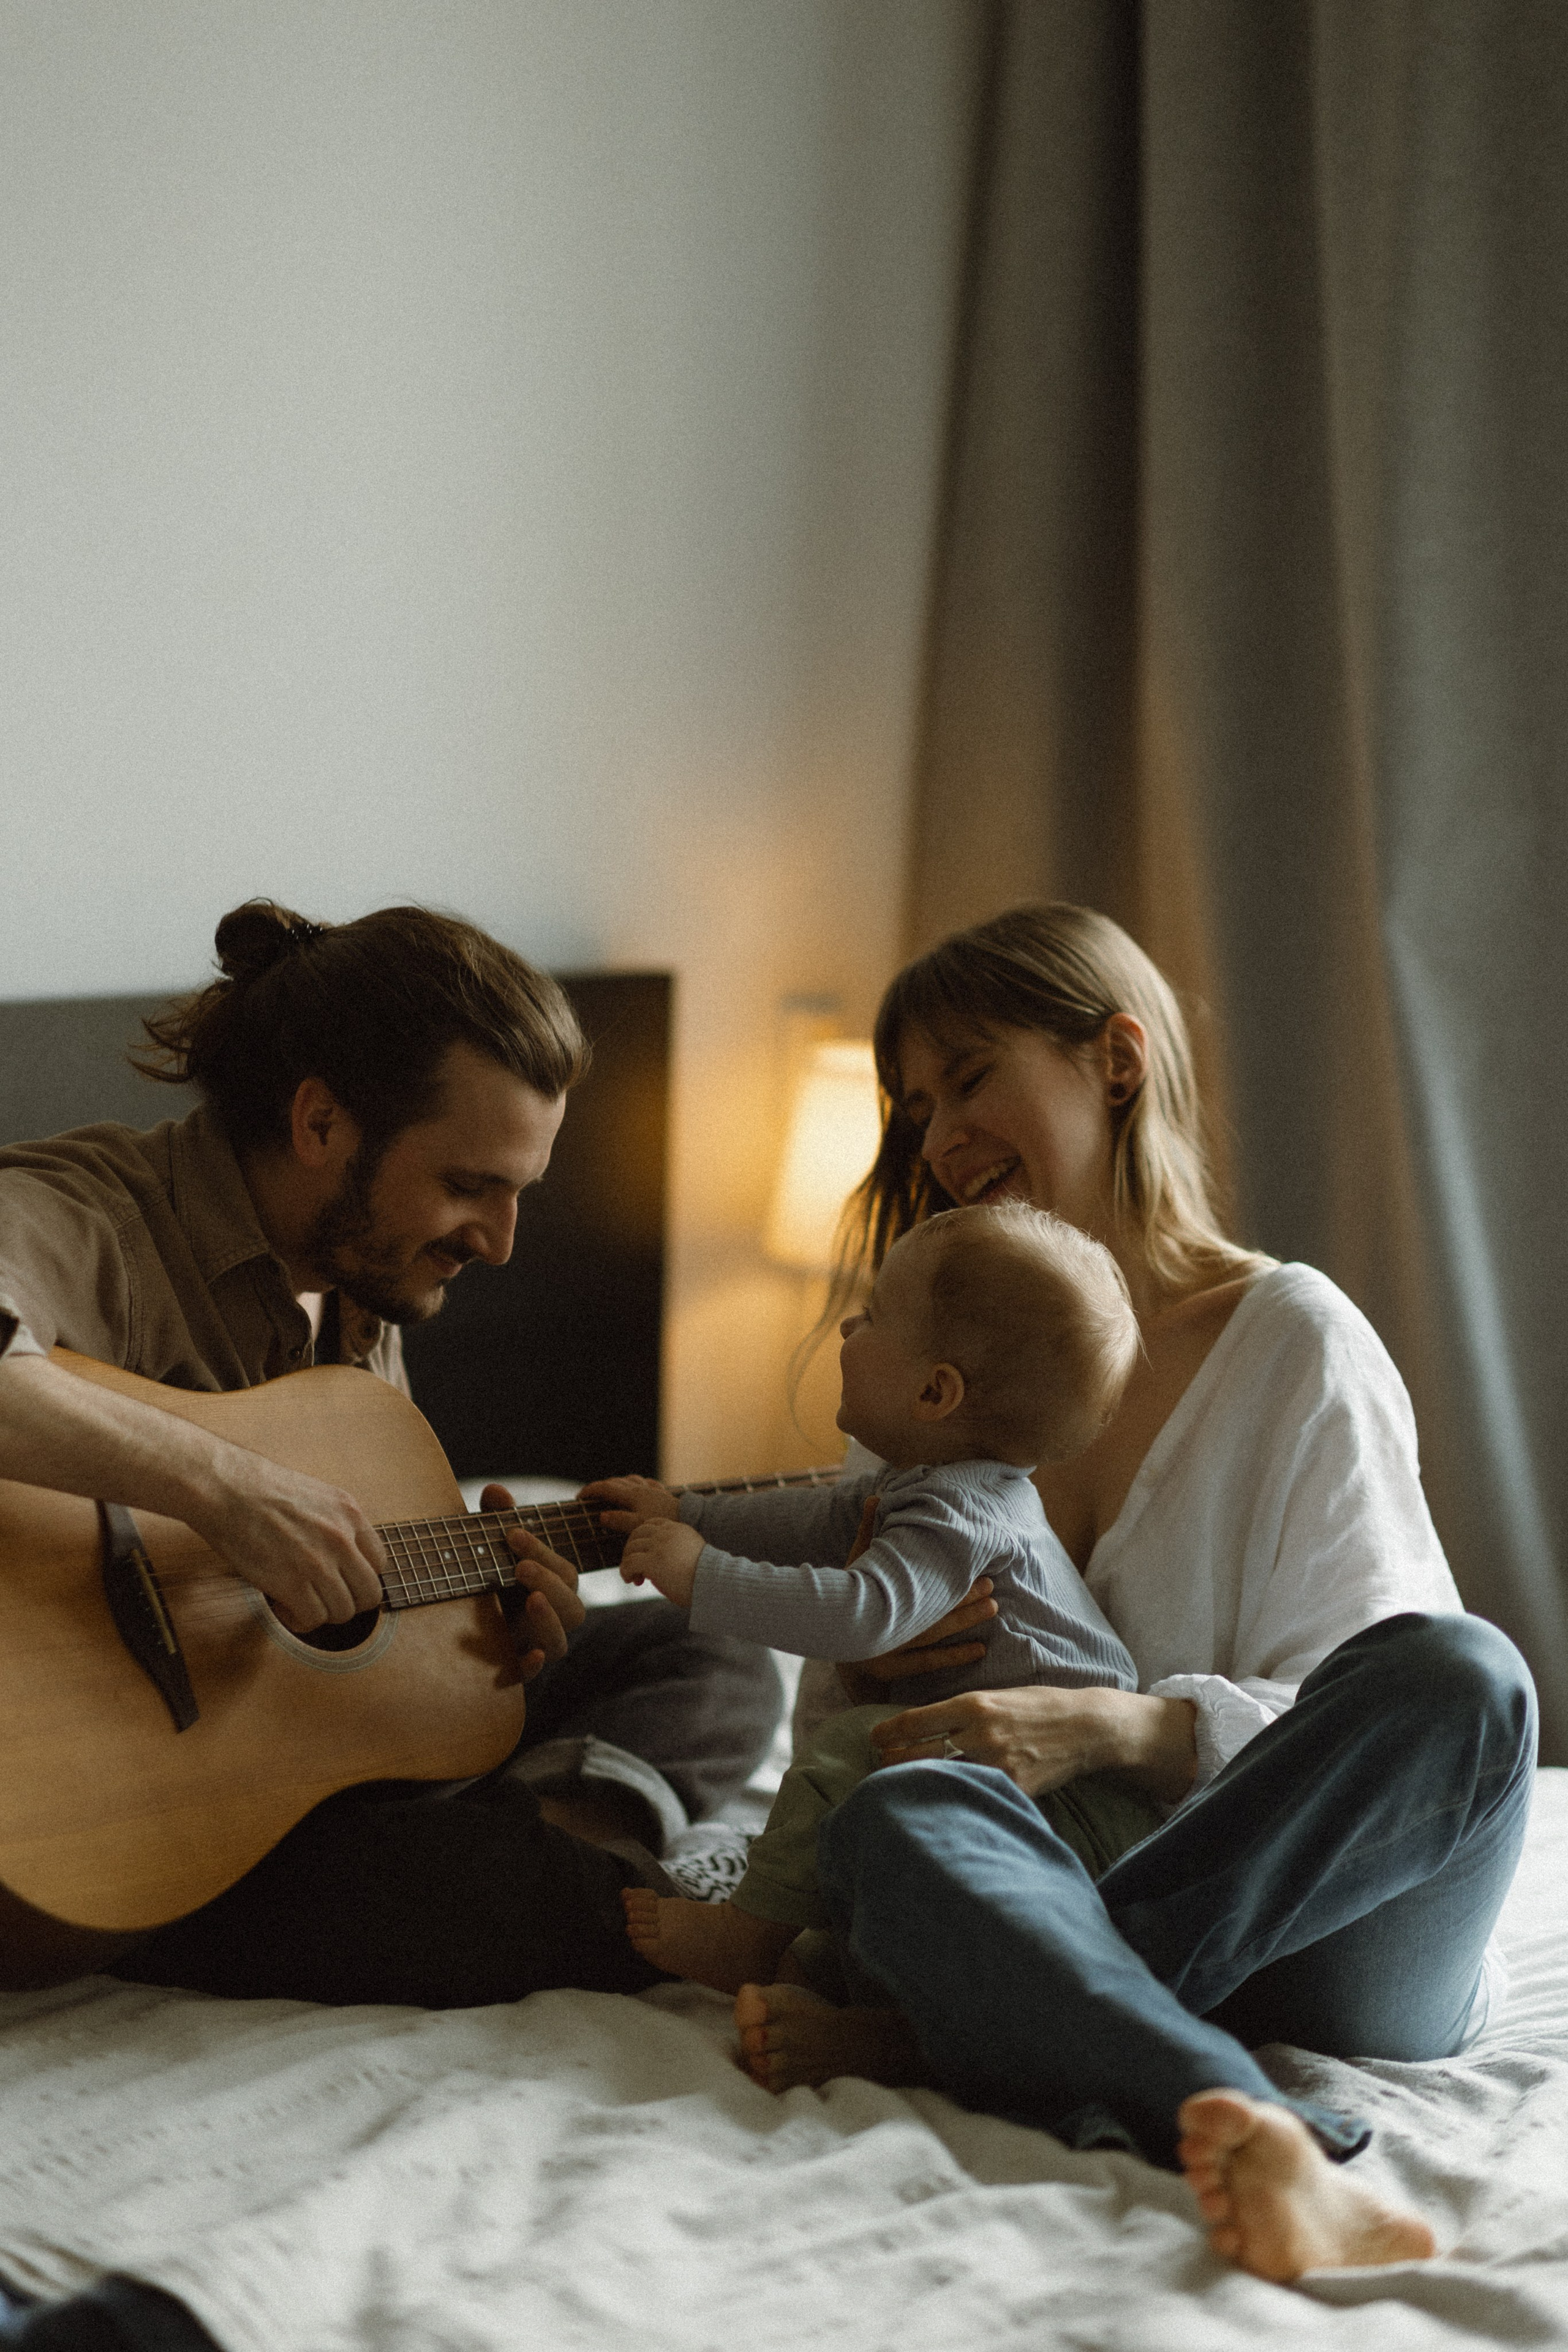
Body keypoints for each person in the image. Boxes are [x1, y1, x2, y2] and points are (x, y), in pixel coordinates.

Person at [728, 902, 1537, 2287]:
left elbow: (1358, 1734)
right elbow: (826, 1743)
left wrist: (1107, 1730)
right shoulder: (923, 1367)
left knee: (1463, 1678)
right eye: (913, 1106)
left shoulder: (1291, 1343)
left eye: (969, 1078)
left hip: (1325, 1931)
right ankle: (1247, 2123)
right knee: (896, 1810)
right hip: (1043, 1893)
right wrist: (876, 1683)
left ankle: (959, 2025)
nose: (935, 1139)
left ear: (1113, 1060)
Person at [0, 897, 781, 2007]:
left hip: (276, 1768)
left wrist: (479, 1641)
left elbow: (328, 1627)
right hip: (99, 1815)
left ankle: (555, 1825)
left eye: (518, 1194)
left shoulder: (359, 1292)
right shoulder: (96, 1218)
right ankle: (564, 1859)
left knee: (718, 1651)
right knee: (508, 1893)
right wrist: (224, 1487)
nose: (501, 1244)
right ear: (322, 1123)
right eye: (471, 1185)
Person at [587, 1200, 1154, 1994]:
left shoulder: (960, 1515)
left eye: (875, 1317)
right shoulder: (925, 1487)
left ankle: (746, 1935)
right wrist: (685, 1514)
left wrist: (700, 1574)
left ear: (935, 1393)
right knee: (836, 1937)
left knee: (848, 1752)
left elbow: (861, 1615)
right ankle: (844, 1985)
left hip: (1075, 1806)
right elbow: (807, 1521)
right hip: (1016, 1787)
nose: (850, 1330)